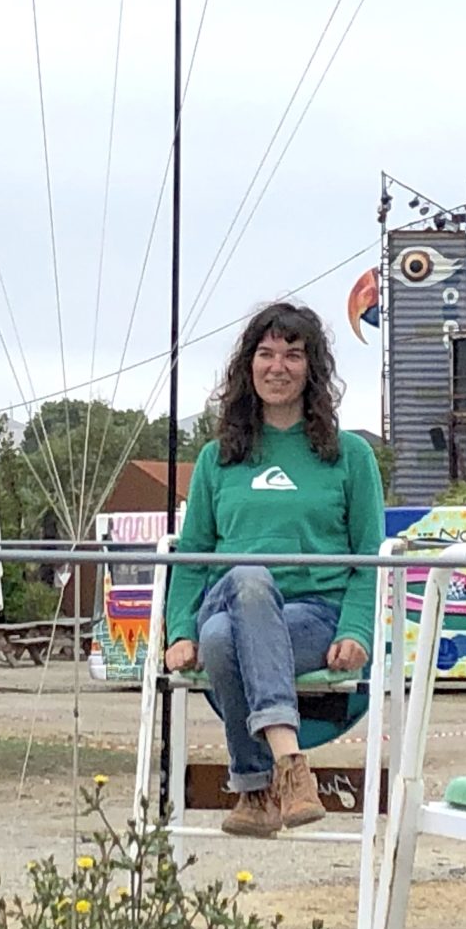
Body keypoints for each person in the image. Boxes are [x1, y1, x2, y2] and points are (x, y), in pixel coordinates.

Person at [162, 301, 382, 838]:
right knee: (246, 578)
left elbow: (371, 557)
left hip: (315, 614)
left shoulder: (349, 456)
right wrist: (177, 630)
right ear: (247, 366)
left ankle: (255, 793)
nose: (277, 366)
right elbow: (192, 556)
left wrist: (356, 631)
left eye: (292, 354)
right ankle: (289, 764)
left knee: (220, 639)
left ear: (312, 369)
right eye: (265, 353)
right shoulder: (219, 459)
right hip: (231, 594)